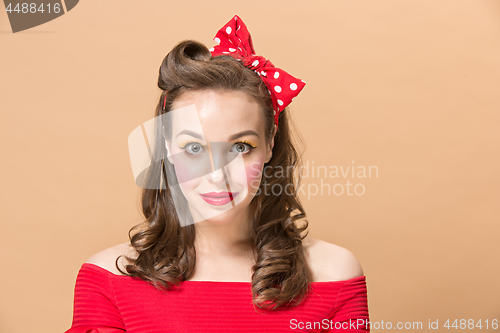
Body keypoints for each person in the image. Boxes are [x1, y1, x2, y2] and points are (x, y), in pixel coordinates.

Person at [64, 15, 370, 332]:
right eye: (194, 149)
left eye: (240, 147)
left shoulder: (334, 275)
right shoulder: (109, 279)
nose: (217, 175)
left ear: (269, 143)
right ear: (167, 145)